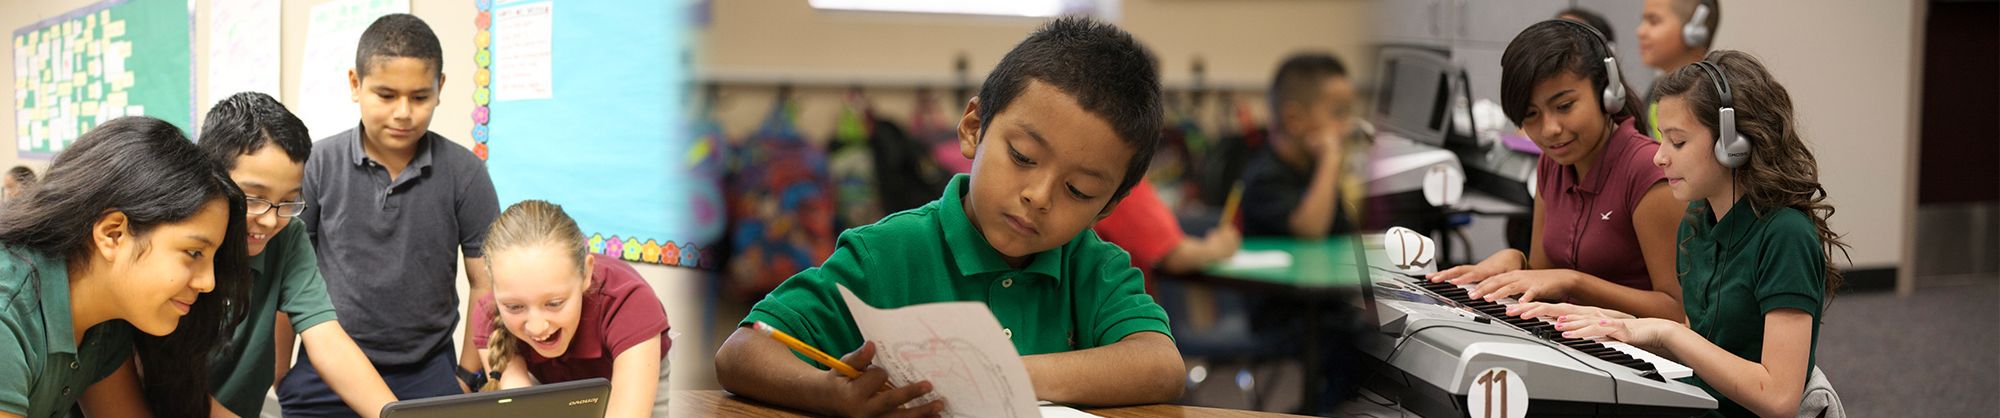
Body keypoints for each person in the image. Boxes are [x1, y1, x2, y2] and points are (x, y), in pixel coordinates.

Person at [713, 16, 1183, 417]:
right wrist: (826, 394)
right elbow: (742, 351)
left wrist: (992, 375)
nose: (1038, 196)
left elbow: (1160, 367)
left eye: (1078, 190)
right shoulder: (886, 254)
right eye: (1022, 156)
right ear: (974, 129)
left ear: (1106, 206)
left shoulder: (1094, 267)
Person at [1512, 50, 1846, 418]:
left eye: (1678, 142)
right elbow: (1698, 346)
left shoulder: (1786, 236)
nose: (1659, 156)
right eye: (1661, 139)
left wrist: (1668, 332)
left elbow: (1778, 399)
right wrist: (1605, 322)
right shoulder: (1699, 221)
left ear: (1732, 143)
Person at [284, 13, 501, 417]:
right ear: (355, 84)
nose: (404, 112)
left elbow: (484, 281)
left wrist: (467, 375)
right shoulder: (316, 164)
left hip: (429, 369)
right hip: (326, 363)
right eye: (386, 95)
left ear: (440, 89)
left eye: (419, 97)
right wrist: (281, 373)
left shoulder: (465, 173)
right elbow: (288, 274)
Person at [1429, 19, 1688, 322]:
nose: (1549, 129)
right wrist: (1517, 262)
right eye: (1530, 114)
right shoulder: (1552, 165)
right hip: (1571, 344)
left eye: (1564, 106)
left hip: (1635, 359)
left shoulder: (1647, 172)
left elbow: (1676, 312)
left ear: (1607, 92)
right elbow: (1544, 278)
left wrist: (1573, 281)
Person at [0, 116, 253, 418]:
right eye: (194, 252)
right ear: (112, 234)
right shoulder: (8, 312)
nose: (208, 282)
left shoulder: (104, 319)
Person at [197, 92, 399, 418]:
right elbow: (165, 383)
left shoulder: (287, 237)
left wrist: (392, 414)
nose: (270, 219)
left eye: (288, 201)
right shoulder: (178, 241)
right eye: (254, 198)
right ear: (211, 177)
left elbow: (328, 340)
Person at [469, 200, 672, 418]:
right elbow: (523, 410)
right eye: (515, 307)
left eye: (554, 304)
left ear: (585, 274)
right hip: (544, 381)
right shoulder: (489, 315)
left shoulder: (630, 302)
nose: (537, 328)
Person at [1241, 53, 1360, 239]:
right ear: (1294, 120)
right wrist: (1329, 160)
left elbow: (1345, 234)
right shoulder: (1264, 178)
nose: (1348, 126)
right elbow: (1309, 231)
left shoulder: (1313, 168)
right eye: (1338, 113)